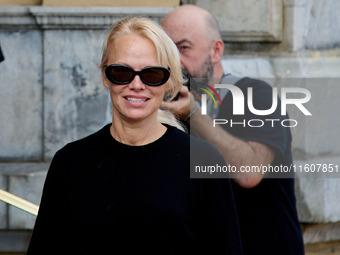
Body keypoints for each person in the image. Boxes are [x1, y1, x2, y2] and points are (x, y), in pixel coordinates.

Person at [27, 17, 242, 254]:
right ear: (105, 76)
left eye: (151, 74)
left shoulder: (204, 160)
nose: (137, 85)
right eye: (121, 72)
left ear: (168, 81)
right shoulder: (70, 162)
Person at [161, 5, 305, 255]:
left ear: (216, 50)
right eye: (167, 52)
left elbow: (249, 173)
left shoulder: (256, 95)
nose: (175, 61)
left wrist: (194, 114)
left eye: (183, 48)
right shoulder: (167, 106)